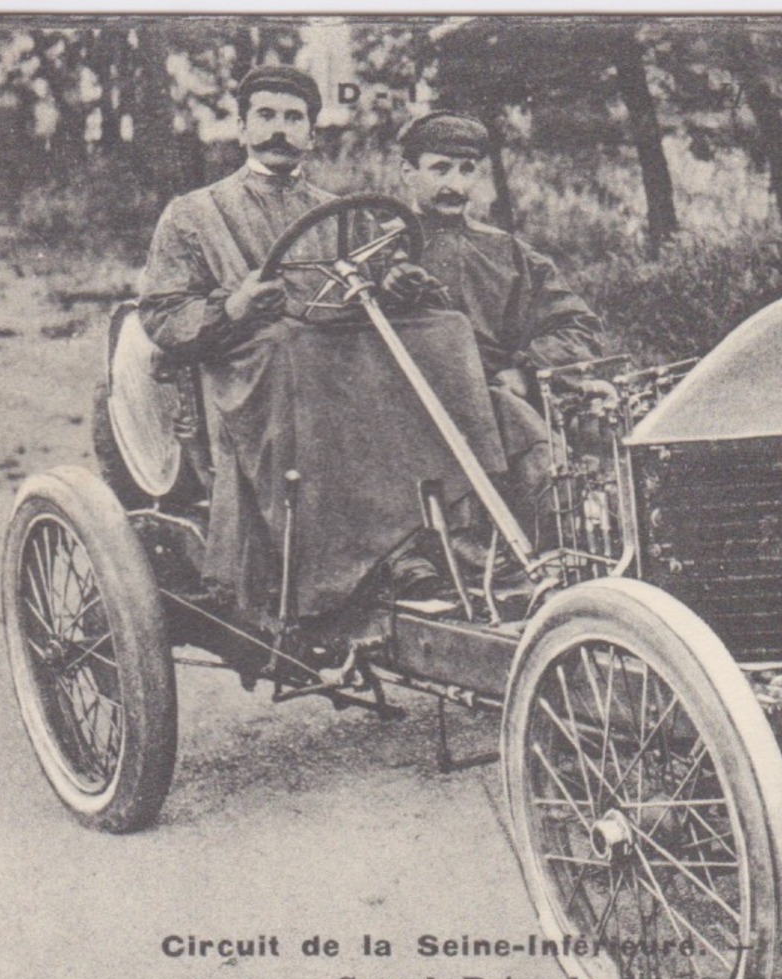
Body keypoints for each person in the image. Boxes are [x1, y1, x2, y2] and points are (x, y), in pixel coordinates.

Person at [138, 67, 512, 637]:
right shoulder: (193, 214)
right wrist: (234, 306)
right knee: (297, 348)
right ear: (242, 127)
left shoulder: (343, 210)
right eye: (266, 116)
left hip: (341, 349)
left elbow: (381, 270)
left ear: (311, 134)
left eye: (294, 119)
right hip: (252, 366)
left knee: (447, 333)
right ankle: (359, 566)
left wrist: (397, 281)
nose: (280, 131)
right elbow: (162, 314)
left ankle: (457, 536)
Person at [381, 111, 615, 570]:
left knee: (541, 416)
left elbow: (577, 327)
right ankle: (512, 547)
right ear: (408, 172)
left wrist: (525, 367)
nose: (455, 183)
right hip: (401, 401)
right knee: (508, 418)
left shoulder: (506, 252)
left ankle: (581, 541)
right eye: (440, 168)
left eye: (467, 169)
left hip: (493, 395)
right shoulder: (377, 246)